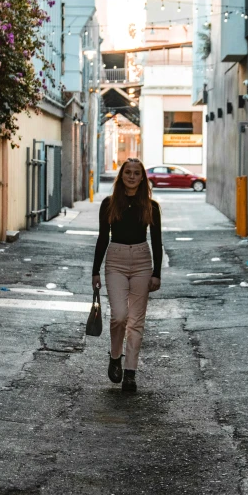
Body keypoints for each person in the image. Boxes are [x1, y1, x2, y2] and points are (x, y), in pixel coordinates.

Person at [92, 159, 162, 392]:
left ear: (142, 178)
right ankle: (115, 356)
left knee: (136, 320)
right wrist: (95, 271)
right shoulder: (109, 204)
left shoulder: (150, 206)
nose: (132, 176)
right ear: (121, 176)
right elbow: (103, 237)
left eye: (136, 173)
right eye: (127, 173)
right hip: (116, 260)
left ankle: (130, 372)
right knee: (119, 316)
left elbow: (157, 241)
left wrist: (156, 273)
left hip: (142, 260)